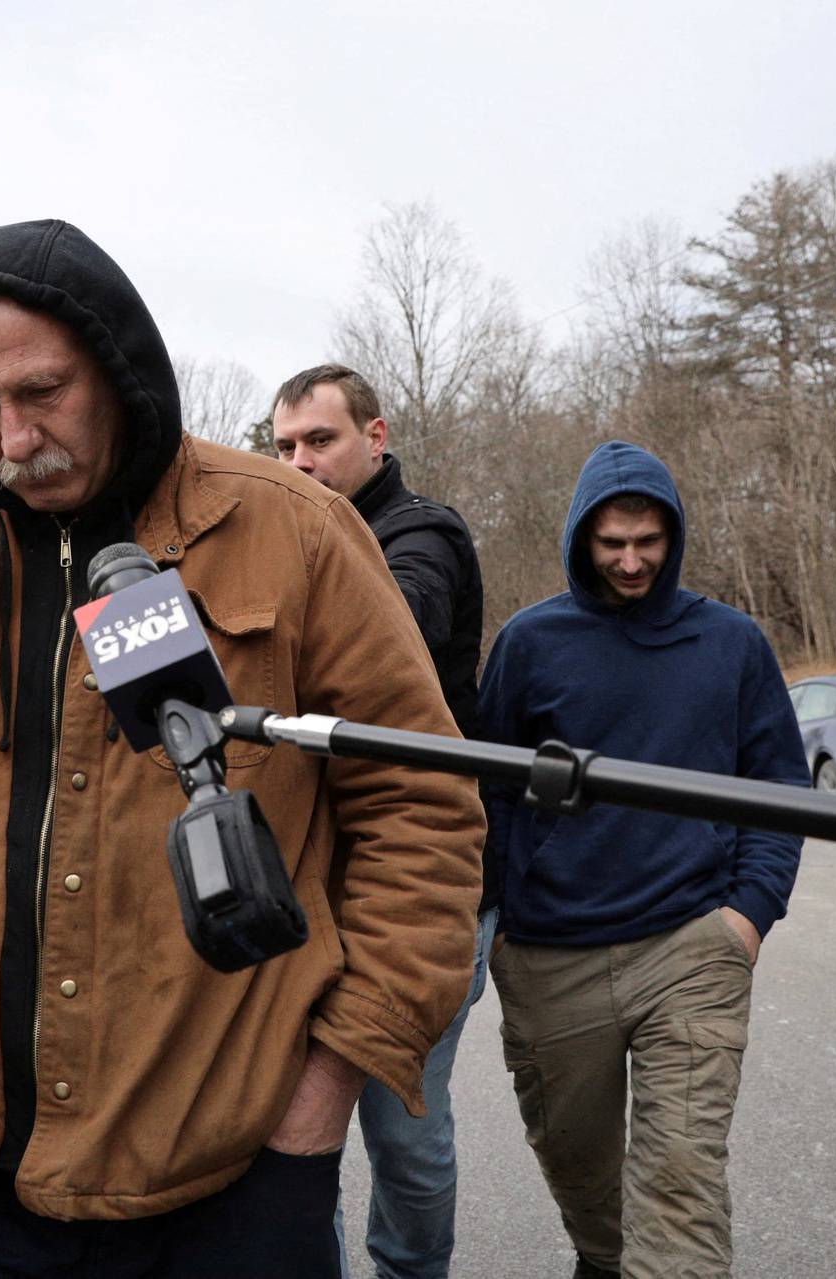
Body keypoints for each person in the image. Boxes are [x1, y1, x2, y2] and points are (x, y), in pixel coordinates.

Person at [0, 220, 485, 1278]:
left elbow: (422, 811)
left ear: (119, 370)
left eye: (43, 392)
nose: (16, 437)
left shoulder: (292, 530)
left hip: (224, 1176)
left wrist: (325, 1092)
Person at [478, 440, 806, 1279]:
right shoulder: (529, 643)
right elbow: (490, 797)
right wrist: (500, 927)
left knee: (681, 1187)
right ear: (582, 537)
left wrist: (747, 916)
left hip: (692, 946)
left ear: (674, 534)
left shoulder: (731, 643)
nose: (631, 561)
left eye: (648, 541)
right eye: (612, 542)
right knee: (590, 1188)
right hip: (552, 955)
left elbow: (779, 788)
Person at [272, 363, 492, 1278]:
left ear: (376, 436)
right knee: (286, 1126)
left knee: (405, 1127)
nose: (300, 462)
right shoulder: (289, 548)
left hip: (421, 888)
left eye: (318, 441)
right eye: (282, 446)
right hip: (308, 887)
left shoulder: (420, 534)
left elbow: (392, 617)